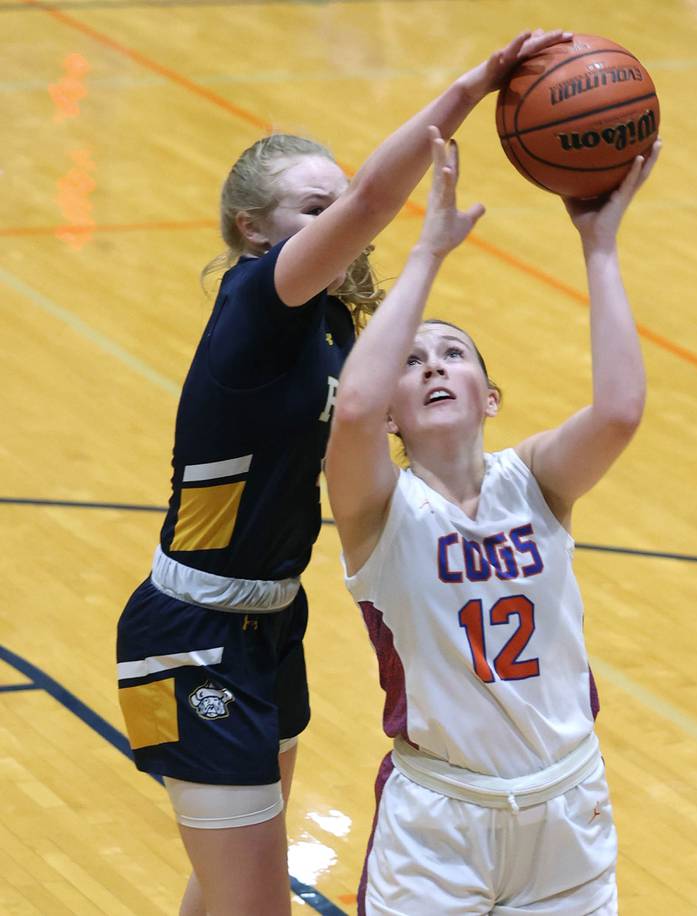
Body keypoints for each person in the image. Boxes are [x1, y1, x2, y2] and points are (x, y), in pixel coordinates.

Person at [115, 28, 573, 916]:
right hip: (192, 633)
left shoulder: (334, 328)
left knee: (224, 893)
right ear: (253, 232)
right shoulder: (256, 301)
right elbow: (371, 200)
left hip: (273, 623)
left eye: (334, 205)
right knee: (257, 906)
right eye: (309, 211)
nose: (336, 223)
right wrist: (473, 87)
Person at [325, 128, 661, 914]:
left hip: (566, 807)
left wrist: (601, 247)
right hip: (440, 819)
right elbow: (353, 411)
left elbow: (619, 411)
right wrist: (428, 252)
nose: (435, 364)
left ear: (490, 396)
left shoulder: (537, 482)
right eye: (413, 359)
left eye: (454, 355)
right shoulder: (377, 507)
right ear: (395, 419)